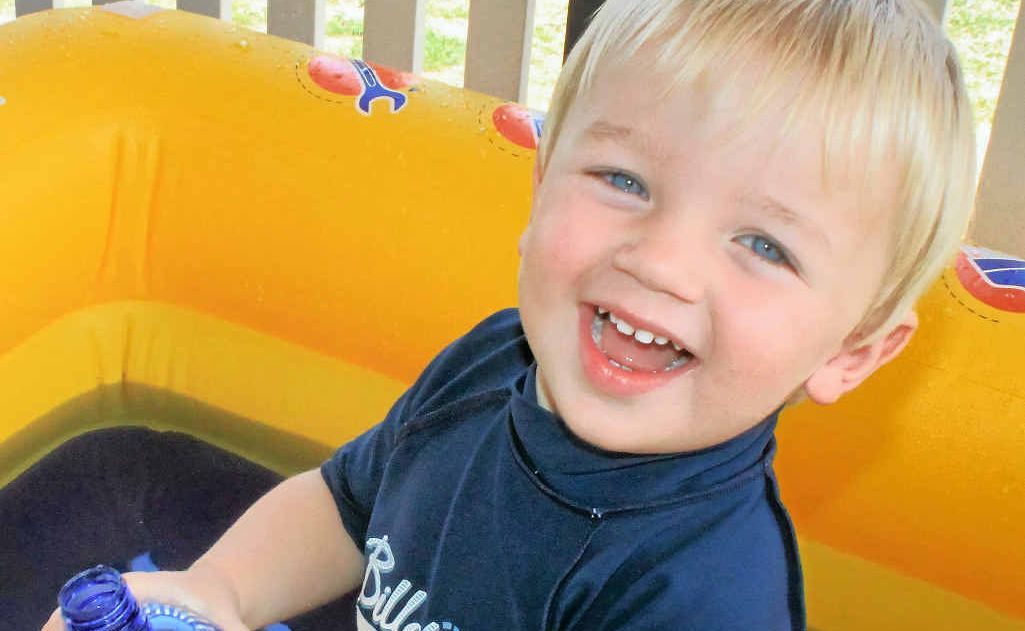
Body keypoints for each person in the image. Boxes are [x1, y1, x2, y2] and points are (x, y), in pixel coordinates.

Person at [42, 0, 977, 628]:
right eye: (624, 180)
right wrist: (221, 590)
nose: (659, 260)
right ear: (539, 182)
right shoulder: (496, 360)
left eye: (764, 245)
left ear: (853, 351)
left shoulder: (697, 592)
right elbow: (347, 503)